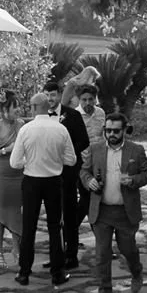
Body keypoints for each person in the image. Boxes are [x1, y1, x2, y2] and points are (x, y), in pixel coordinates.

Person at [79, 110, 147, 293]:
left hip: (125, 212)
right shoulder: (95, 149)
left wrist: (134, 180)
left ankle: (136, 271)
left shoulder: (136, 150)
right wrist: (89, 182)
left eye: (116, 131)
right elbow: (84, 171)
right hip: (101, 211)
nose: (111, 134)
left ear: (125, 131)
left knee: (127, 249)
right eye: (108, 130)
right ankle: (105, 292)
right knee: (102, 254)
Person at [11, 91, 75, 286]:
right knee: (55, 227)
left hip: (31, 180)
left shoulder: (27, 130)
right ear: (48, 108)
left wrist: (31, 161)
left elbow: (14, 162)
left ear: (34, 107)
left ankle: (24, 272)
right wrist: (55, 159)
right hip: (53, 181)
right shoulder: (60, 129)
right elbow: (72, 159)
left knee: (28, 227)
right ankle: (58, 272)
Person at [59, 85, 95, 264]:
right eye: (47, 95)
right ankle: (59, 250)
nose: (51, 98)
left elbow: (85, 140)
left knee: (79, 203)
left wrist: (69, 154)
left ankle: (71, 251)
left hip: (79, 167)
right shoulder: (46, 117)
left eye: (53, 94)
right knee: (58, 212)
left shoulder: (73, 115)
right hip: (58, 170)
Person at [0, 101, 24, 259]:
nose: (18, 110)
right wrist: (6, 149)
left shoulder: (21, 124)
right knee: (0, 211)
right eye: (14, 107)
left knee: (16, 211)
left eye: (18, 106)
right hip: (3, 176)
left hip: (19, 174)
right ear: (4, 110)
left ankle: (16, 249)